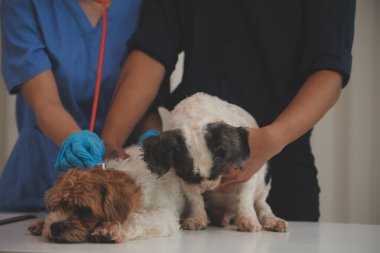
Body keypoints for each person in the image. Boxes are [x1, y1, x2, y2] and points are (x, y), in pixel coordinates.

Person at [101, 0, 356, 221]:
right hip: (188, 179)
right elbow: (153, 46)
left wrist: (269, 140)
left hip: (280, 162)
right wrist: (111, 140)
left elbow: (329, 69)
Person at [0, 0, 167, 211]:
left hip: (121, 193)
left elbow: (146, 100)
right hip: (40, 185)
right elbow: (45, 103)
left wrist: (153, 144)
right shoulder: (23, 4)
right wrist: (79, 146)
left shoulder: (147, 6)